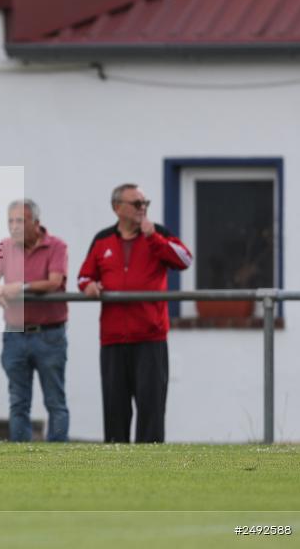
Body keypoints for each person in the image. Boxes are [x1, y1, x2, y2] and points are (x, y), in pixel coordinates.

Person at [78, 184, 192, 443]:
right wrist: (90, 285)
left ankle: (150, 467)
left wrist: (153, 238)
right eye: (137, 204)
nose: (143, 209)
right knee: (115, 409)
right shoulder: (102, 239)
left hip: (150, 337)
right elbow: (84, 275)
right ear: (118, 208)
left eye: (145, 203)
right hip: (113, 339)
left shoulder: (158, 233)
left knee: (151, 408)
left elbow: (185, 260)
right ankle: (117, 469)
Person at [0, 199, 70, 442]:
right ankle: (21, 457)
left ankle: (60, 459)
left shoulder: (57, 246)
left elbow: (54, 282)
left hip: (50, 335)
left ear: (36, 223)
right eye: (10, 221)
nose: (14, 226)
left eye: (20, 220)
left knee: (55, 401)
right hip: (15, 335)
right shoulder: (4, 246)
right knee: (18, 402)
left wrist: (19, 287)